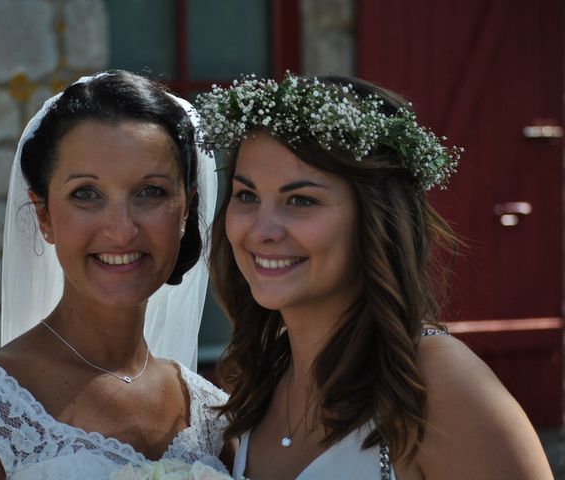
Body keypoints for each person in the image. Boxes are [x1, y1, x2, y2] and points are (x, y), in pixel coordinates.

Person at [196, 73, 553, 480]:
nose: (262, 230)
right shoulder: (260, 378)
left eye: (301, 200)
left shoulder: (436, 383)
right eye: (247, 196)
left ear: (374, 217)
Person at [0, 70, 232, 479]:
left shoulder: (212, 416)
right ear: (44, 215)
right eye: (86, 194)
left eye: (151, 192)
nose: (122, 230)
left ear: (186, 210)